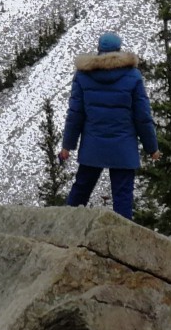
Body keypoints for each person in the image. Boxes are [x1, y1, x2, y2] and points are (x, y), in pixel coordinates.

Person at [58, 30, 158, 220]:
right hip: (124, 147)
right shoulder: (133, 76)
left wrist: (67, 146)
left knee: (81, 191)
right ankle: (123, 241)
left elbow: (75, 114)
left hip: (93, 146)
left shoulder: (83, 75)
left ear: (99, 50)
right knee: (123, 198)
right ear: (119, 51)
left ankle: (64, 227)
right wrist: (151, 147)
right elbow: (143, 116)